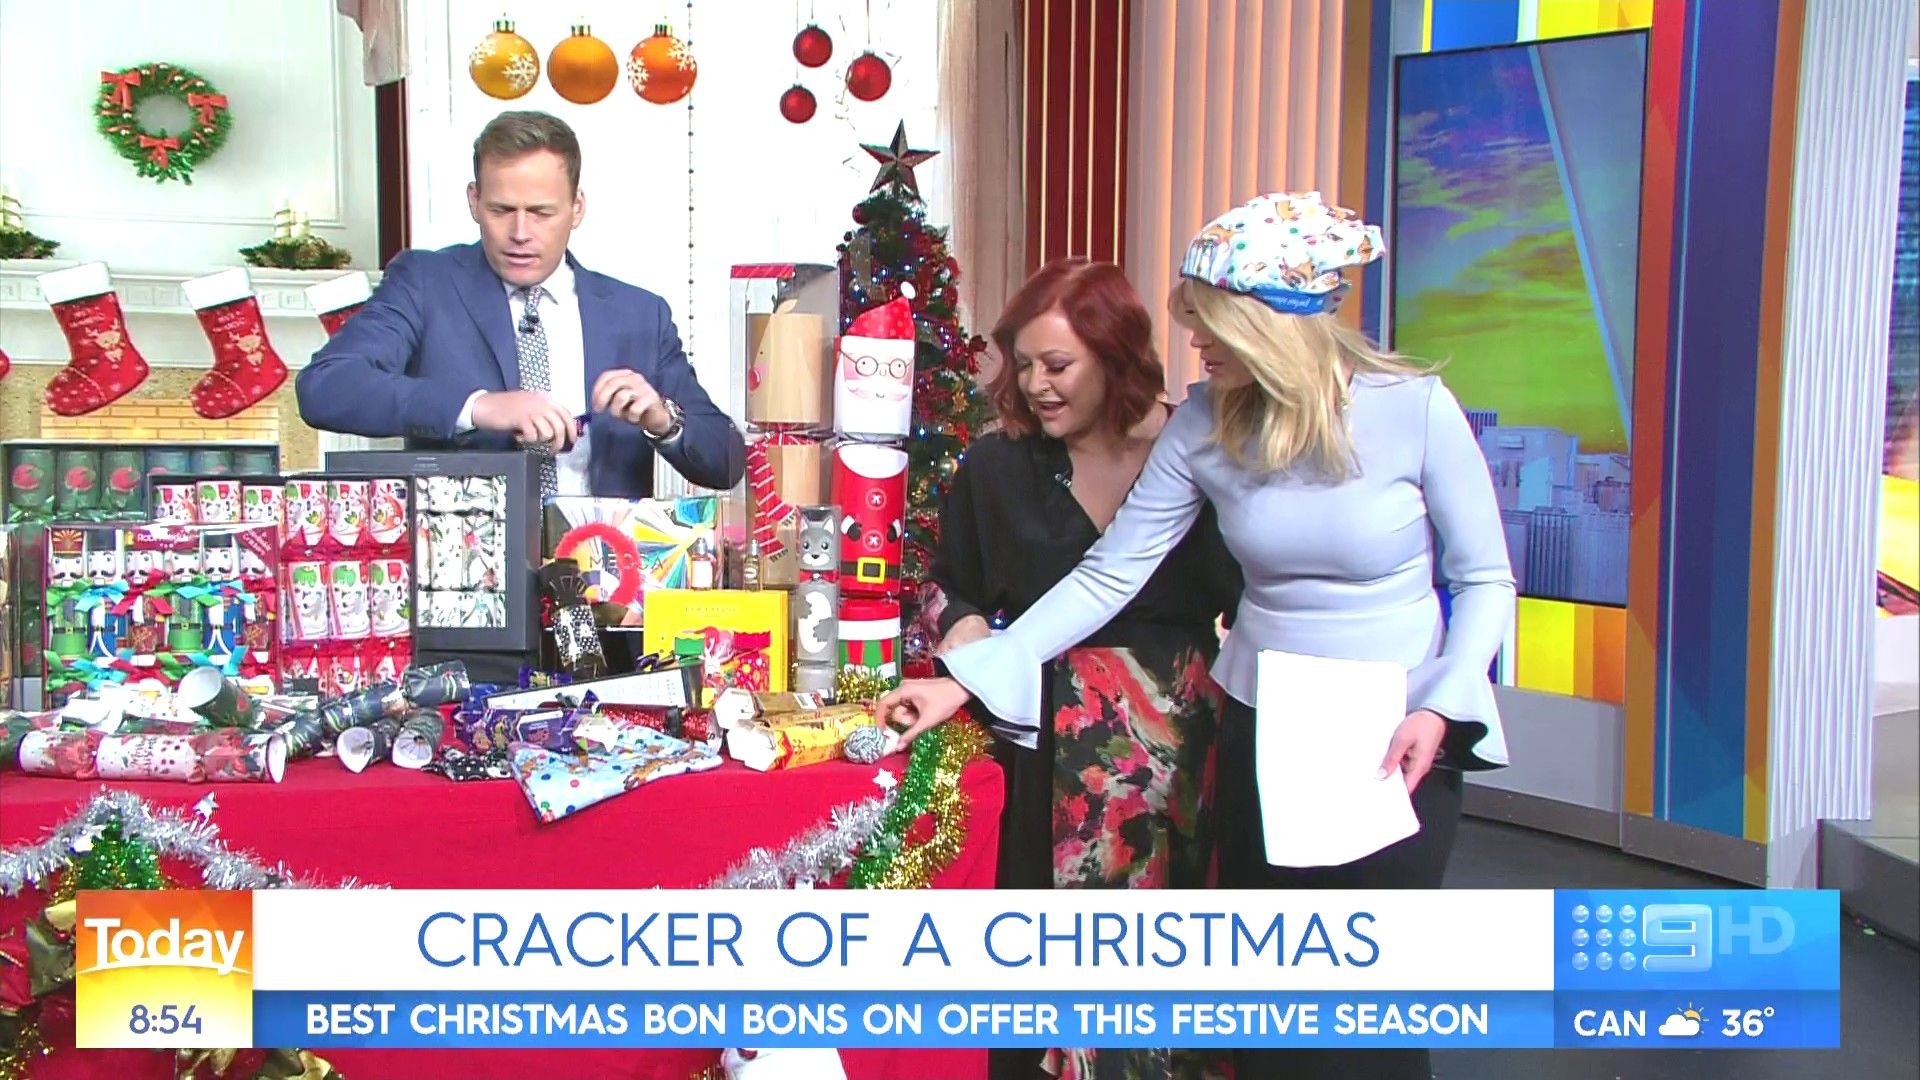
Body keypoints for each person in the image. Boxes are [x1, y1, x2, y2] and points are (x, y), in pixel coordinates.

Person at [880, 194, 1514, 1080]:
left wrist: (1440, 707)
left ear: (1270, 324)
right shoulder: (1205, 420)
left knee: (1373, 1009)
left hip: (1400, 727)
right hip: (1265, 724)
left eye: (1210, 326)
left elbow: (1485, 580)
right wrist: (967, 678)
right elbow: (1108, 575)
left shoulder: (1414, 407)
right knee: (1271, 1010)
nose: (1194, 347)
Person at [929, 258, 1241, 1080]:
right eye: (1024, 363)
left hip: (1183, 743)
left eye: (1057, 364)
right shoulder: (997, 467)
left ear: (1116, 354)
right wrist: (961, 623)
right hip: (1037, 743)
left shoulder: (1204, 448)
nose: (1035, 384)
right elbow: (946, 584)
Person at [296, 110, 744, 499]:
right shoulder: (426, 284)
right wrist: (478, 407)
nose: (521, 233)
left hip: (605, 563)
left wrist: (663, 420)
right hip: (471, 564)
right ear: (474, 202)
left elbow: (726, 463)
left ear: (577, 208)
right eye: (502, 210)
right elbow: (325, 387)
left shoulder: (639, 314)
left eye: (542, 213)